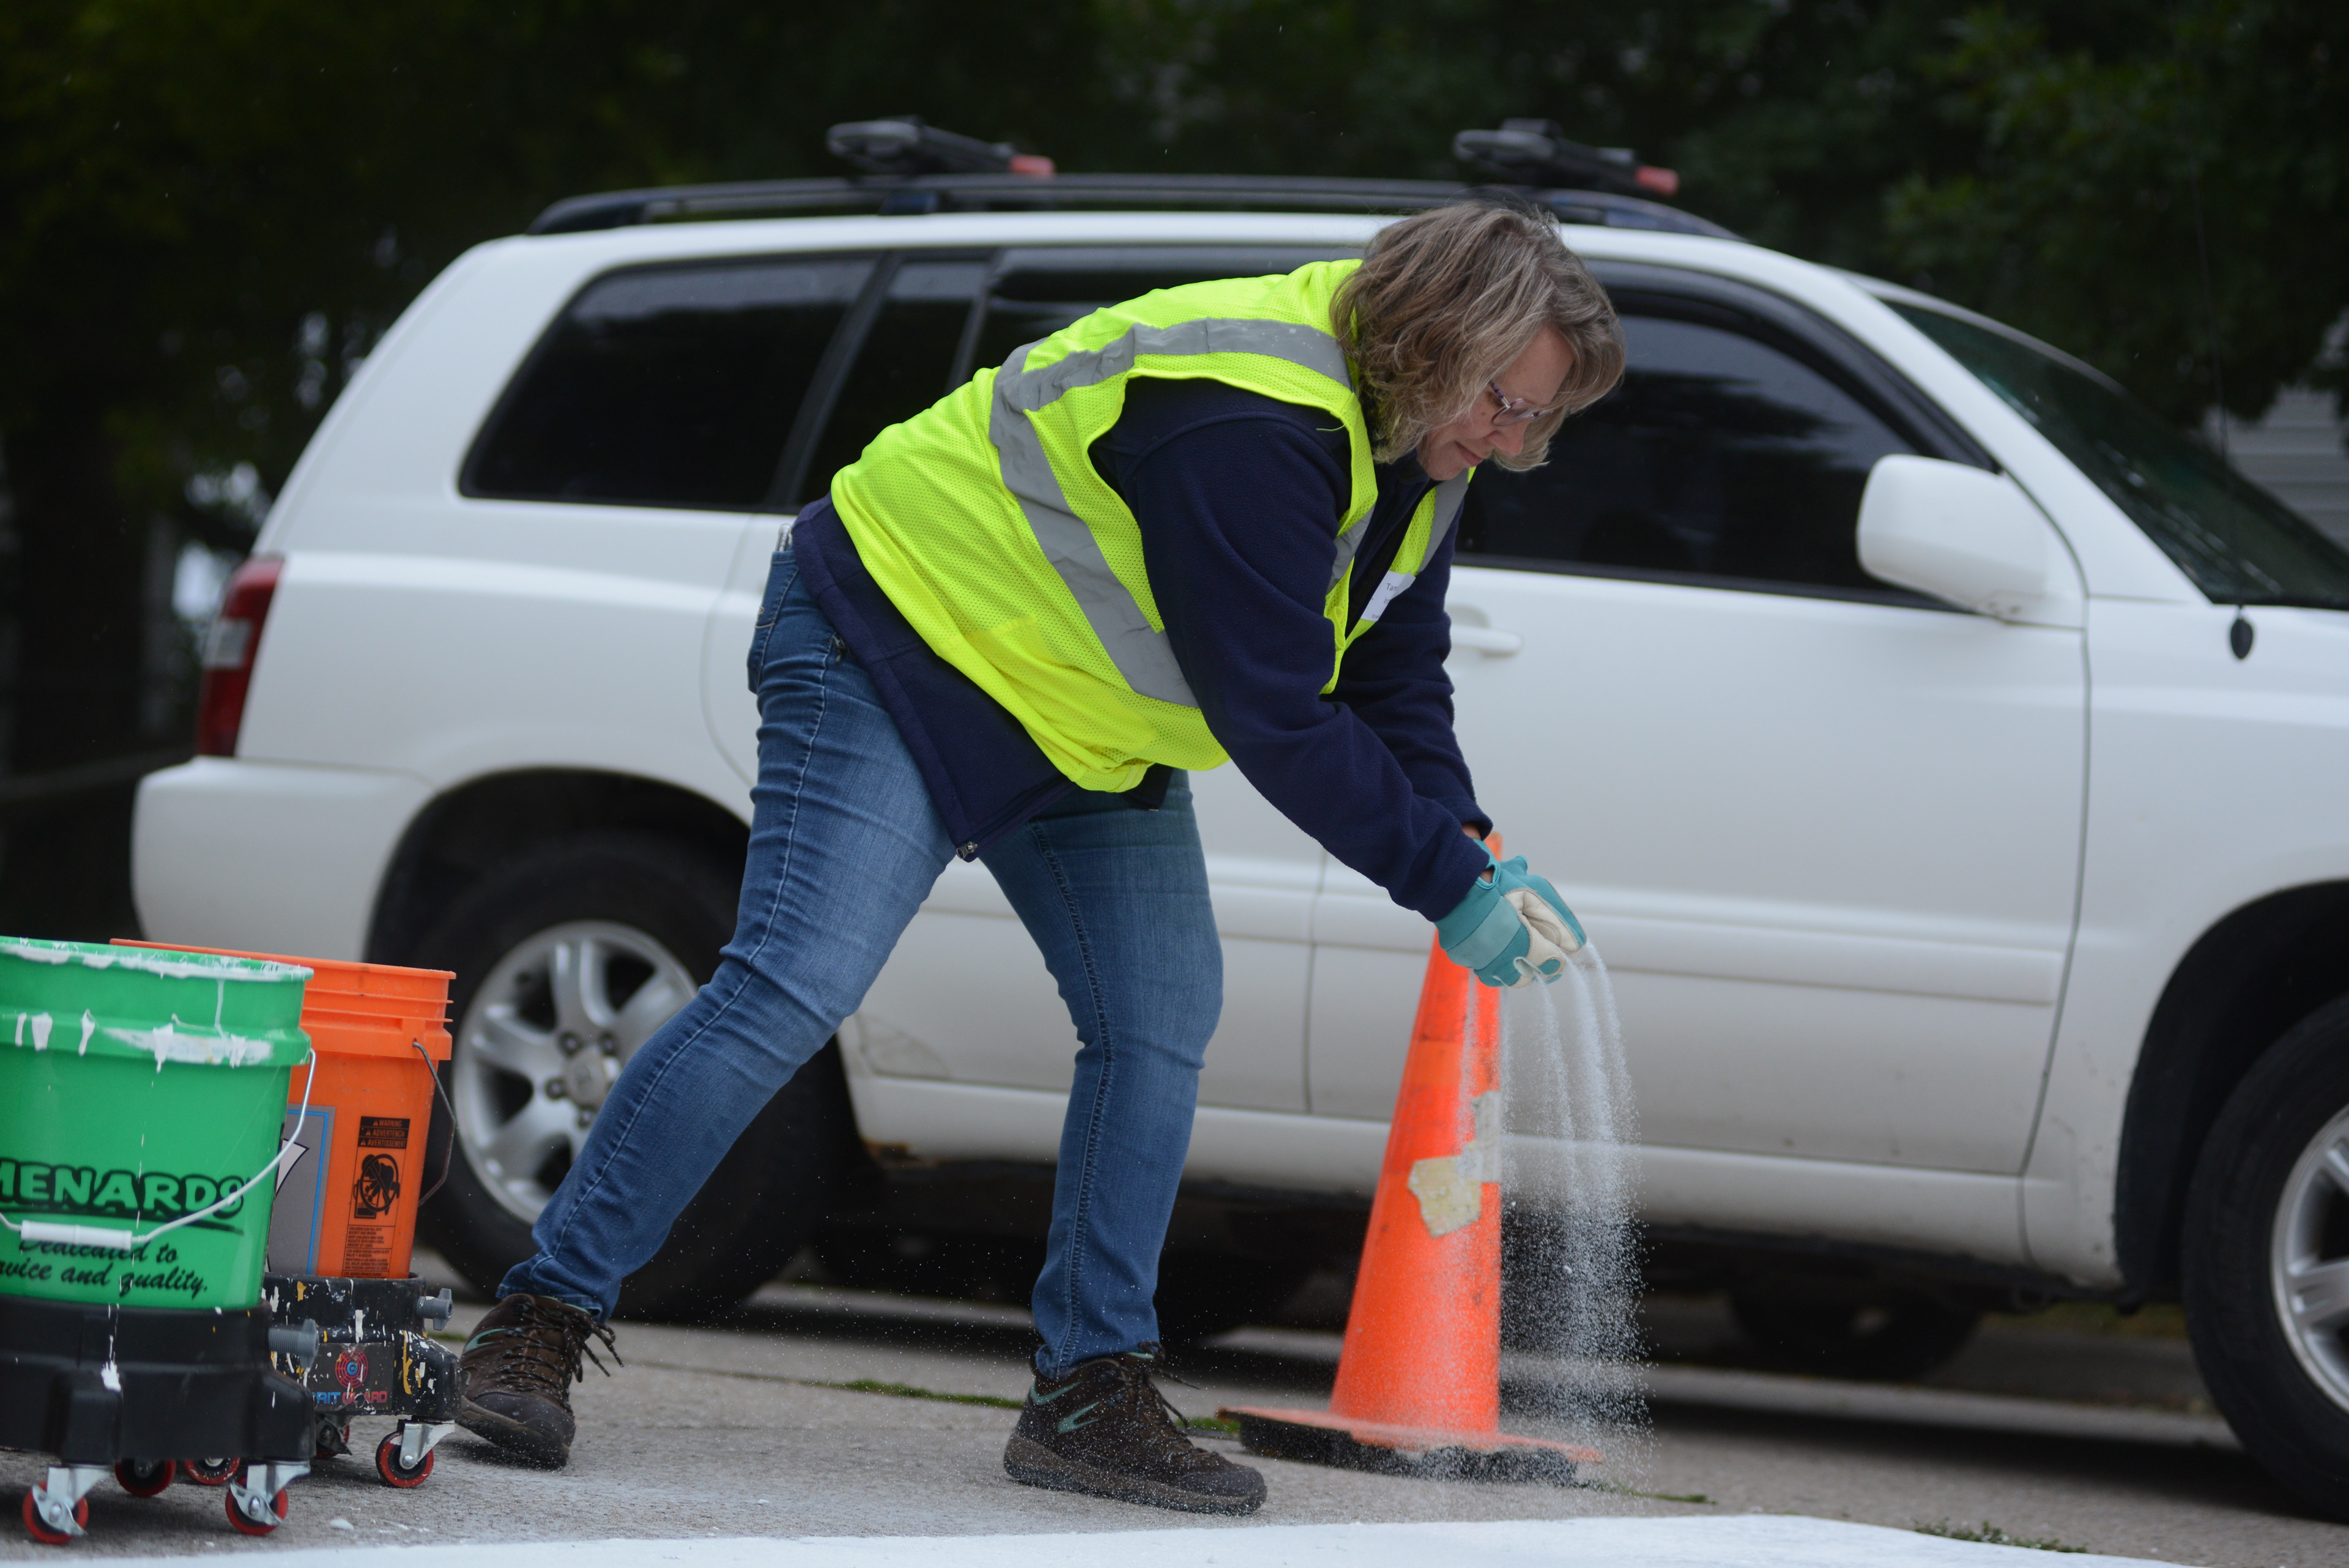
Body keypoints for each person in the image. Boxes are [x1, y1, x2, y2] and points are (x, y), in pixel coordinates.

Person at [455, 198, 1625, 1514]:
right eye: (1508, 406)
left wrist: (1460, 831)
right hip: (902, 641)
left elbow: (1394, 659)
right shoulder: (1255, 414)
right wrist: (1443, 883)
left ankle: (1086, 1392)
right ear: (1436, 341)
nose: (1514, 443)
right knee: (796, 977)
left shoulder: (1420, 437)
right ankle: (538, 1321)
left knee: (1159, 1010)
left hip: (1075, 710)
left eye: (1540, 421)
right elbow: (1280, 713)